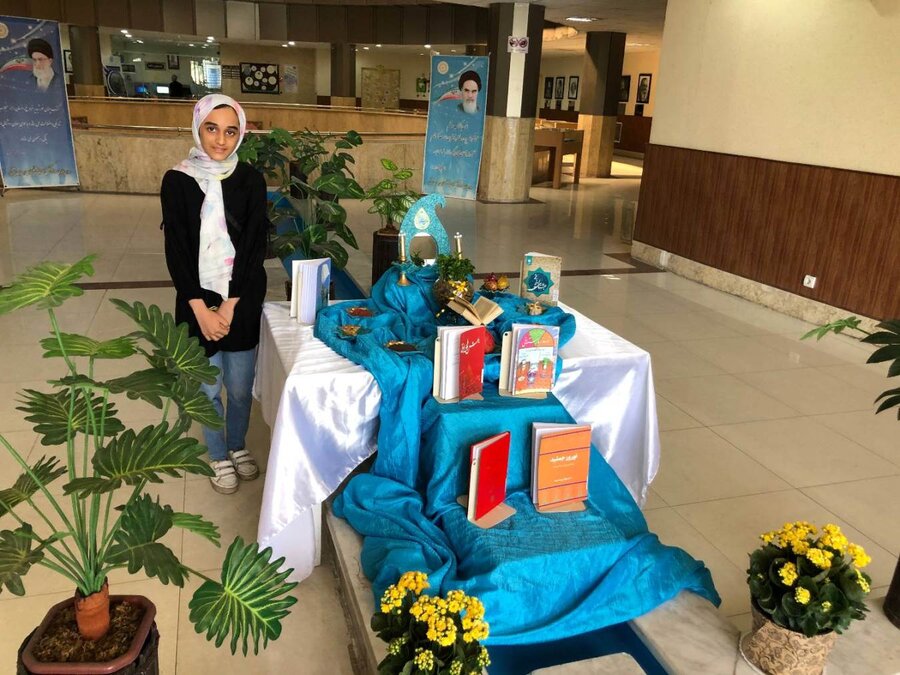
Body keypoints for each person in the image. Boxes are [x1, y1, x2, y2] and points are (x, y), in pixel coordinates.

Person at [160, 94, 268, 494]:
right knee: (208, 389)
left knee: (239, 388)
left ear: (240, 134)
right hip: (196, 300)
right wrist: (202, 310)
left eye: (230, 131)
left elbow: (254, 246)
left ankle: (237, 444)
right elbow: (177, 250)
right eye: (212, 128)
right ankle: (218, 454)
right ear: (198, 128)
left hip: (241, 299)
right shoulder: (177, 180)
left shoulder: (250, 179)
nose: (221, 140)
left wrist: (229, 305)